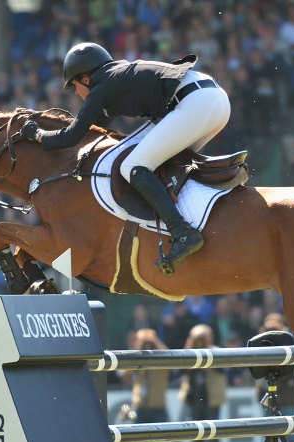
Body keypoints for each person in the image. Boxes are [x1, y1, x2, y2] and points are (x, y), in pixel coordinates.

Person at [20, 42, 231, 275]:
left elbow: (71, 136)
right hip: (214, 100)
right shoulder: (115, 78)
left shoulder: (103, 85)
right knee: (160, 164)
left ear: (86, 78)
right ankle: (193, 218)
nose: (77, 94)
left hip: (194, 103)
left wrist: (37, 135)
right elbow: (87, 130)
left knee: (133, 165)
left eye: (75, 86)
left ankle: (182, 232)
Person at [179, 324, 226, 442]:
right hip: (194, 401)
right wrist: (188, 347)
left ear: (210, 338)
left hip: (211, 401)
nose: (199, 341)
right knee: (197, 439)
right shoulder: (190, 353)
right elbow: (179, 370)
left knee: (214, 439)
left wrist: (207, 349)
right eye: (196, 338)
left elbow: (223, 371)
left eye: (202, 337)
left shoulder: (216, 351)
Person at [128, 329, 169, 442]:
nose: (147, 345)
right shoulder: (138, 361)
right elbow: (124, 372)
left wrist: (154, 340)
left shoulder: (161, 360)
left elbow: (168, 356)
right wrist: (138, 347)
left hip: (158, 406)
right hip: (140, 406)